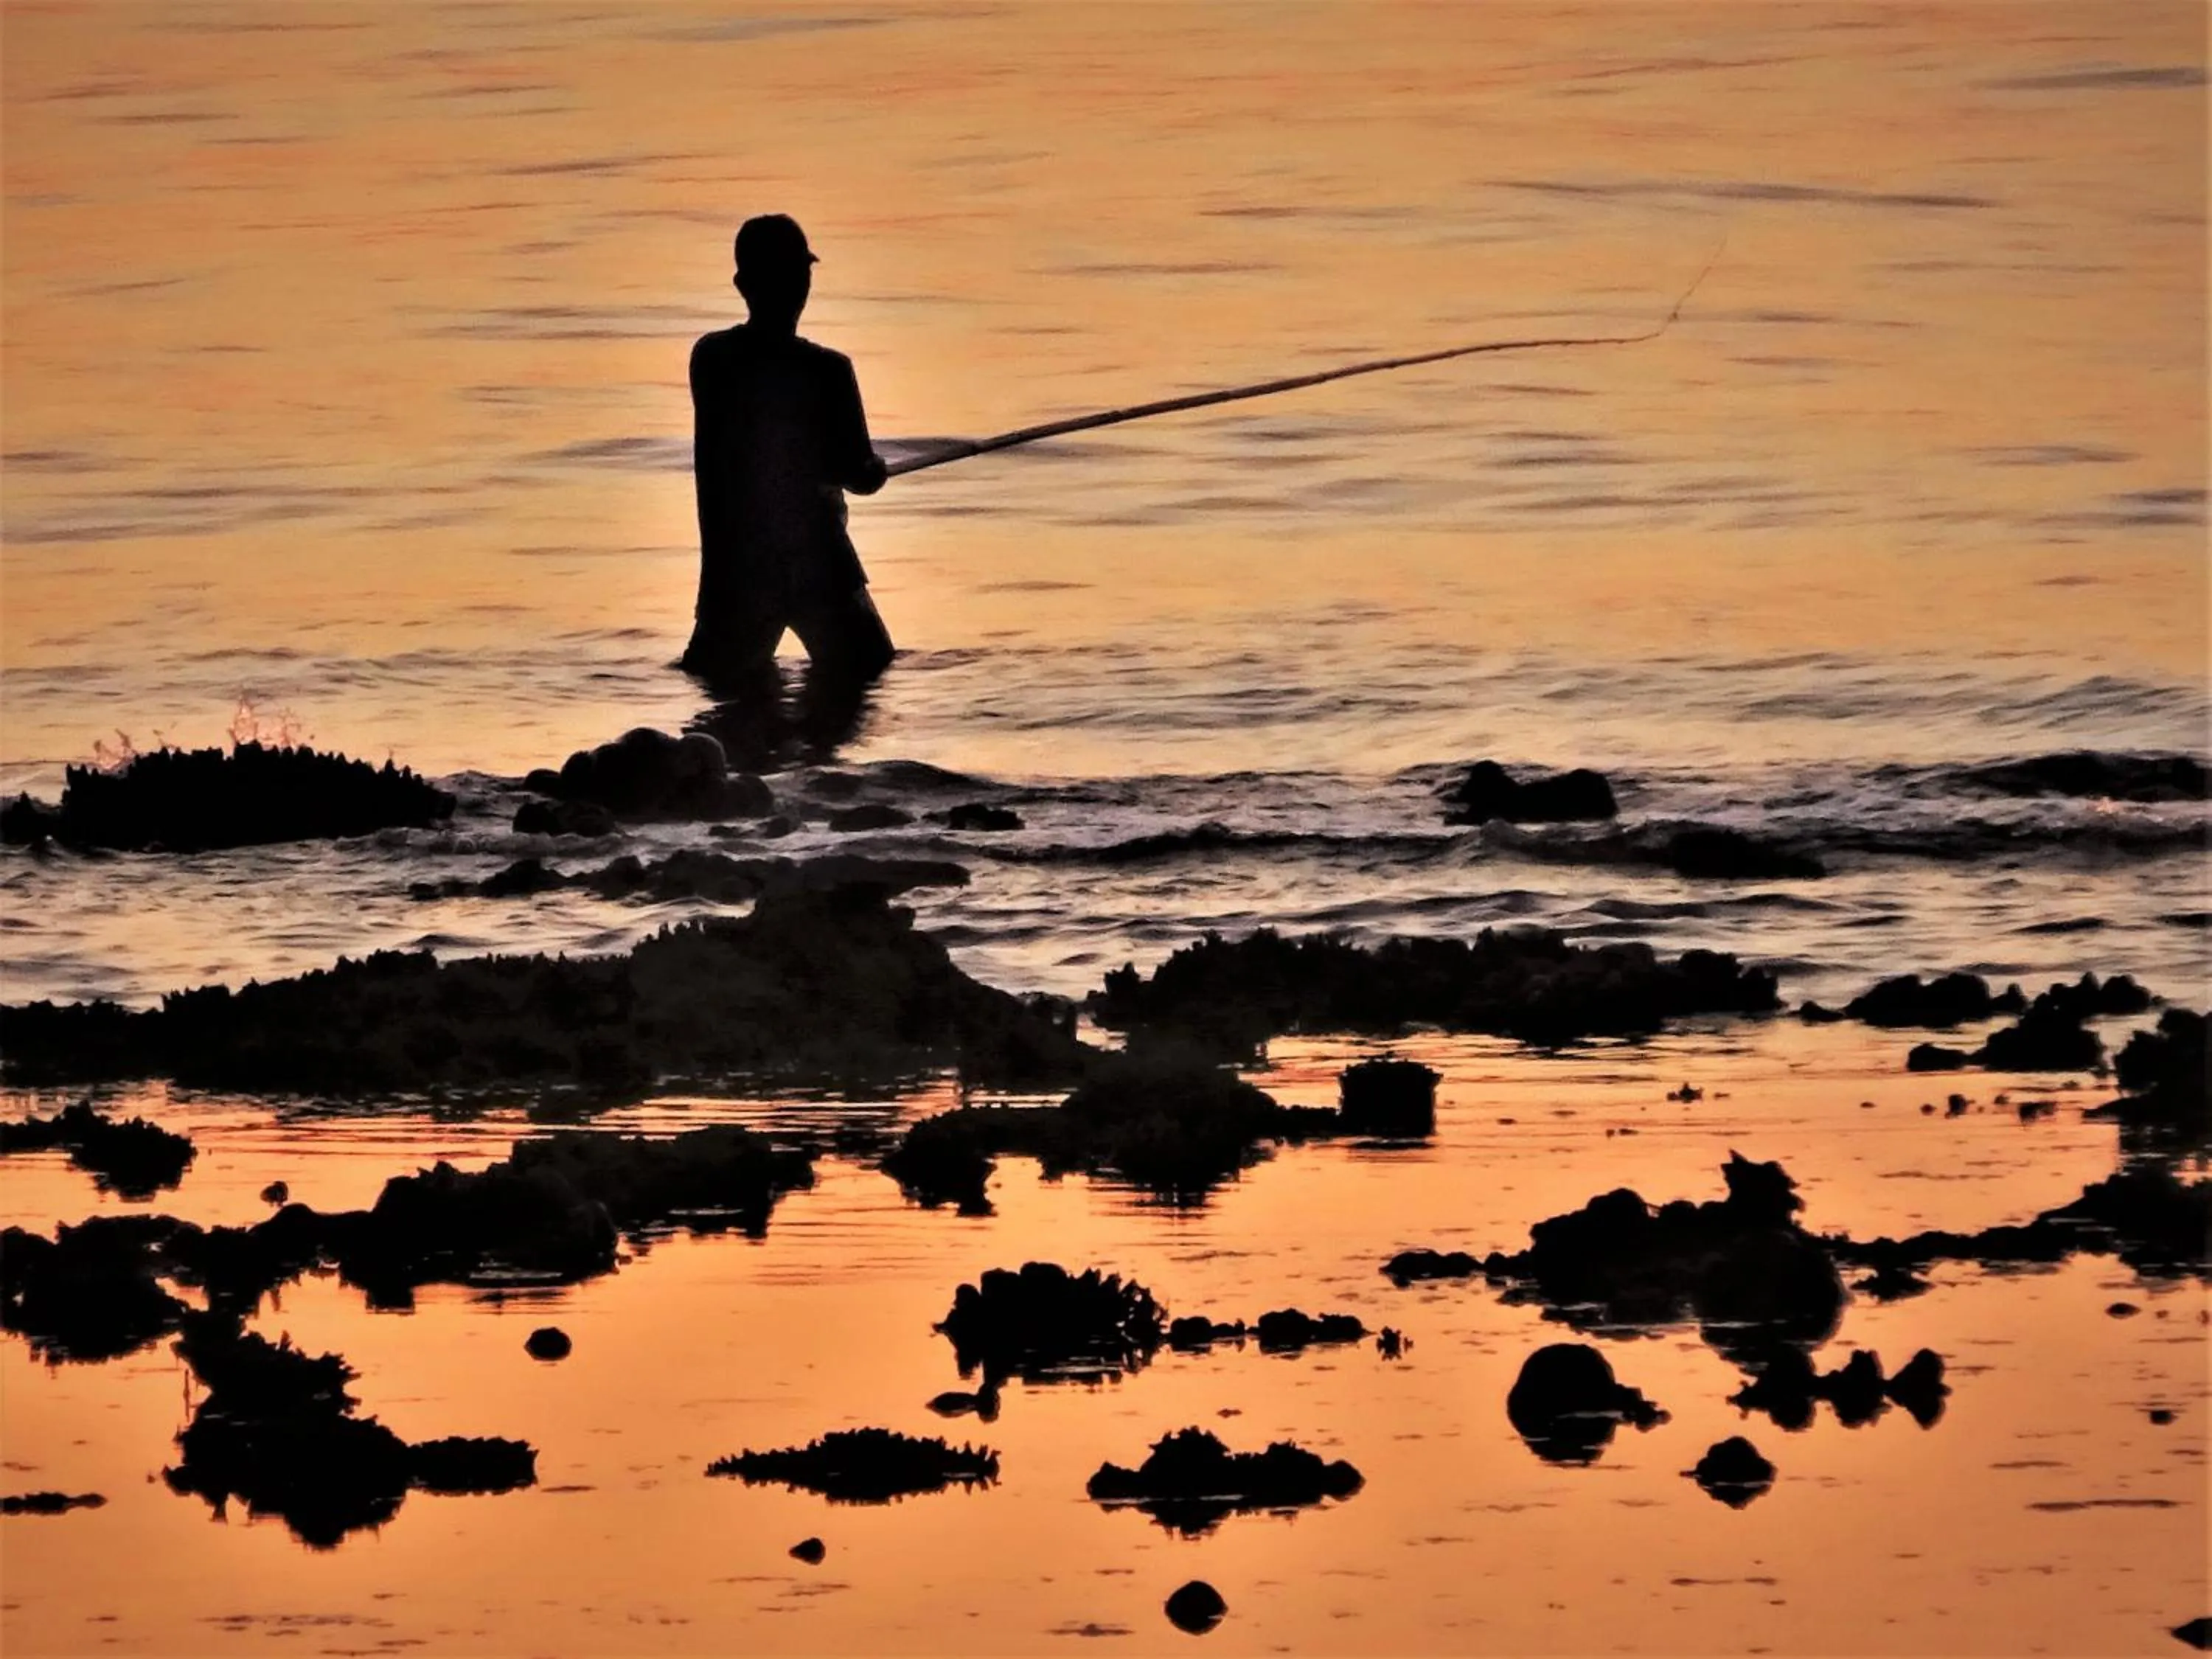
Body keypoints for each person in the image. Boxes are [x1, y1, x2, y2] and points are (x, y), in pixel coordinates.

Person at [681, 214, 893, 692]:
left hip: (736, 575)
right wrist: (873, 472)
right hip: (820, 570)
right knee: (868, 680)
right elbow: (856, 473)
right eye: (798, 274)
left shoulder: (711, 360)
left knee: (721, 696)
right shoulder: (829, 372)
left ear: (742, 285)